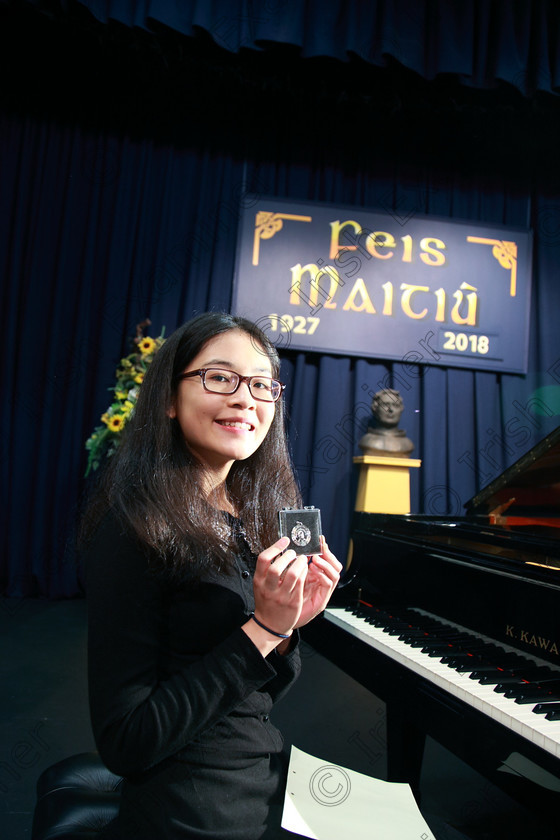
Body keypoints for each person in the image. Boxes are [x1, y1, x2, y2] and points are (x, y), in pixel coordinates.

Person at [80, 311, 342, 840]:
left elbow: (251, 703)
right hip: (195, 808)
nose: (246, 398)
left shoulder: (248, 517)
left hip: (261, 772)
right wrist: (264, 630)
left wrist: (288, 628)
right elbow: (126, 742)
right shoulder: (135, 527)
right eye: (220, 377)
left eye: (262, 385)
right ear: (170, 401)